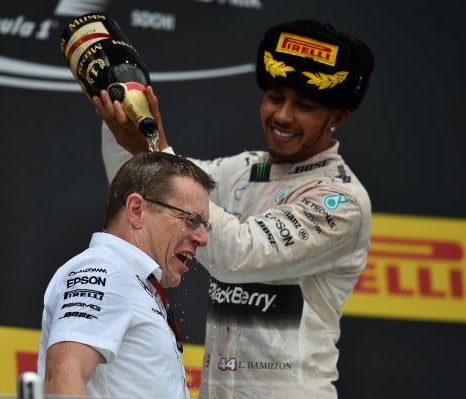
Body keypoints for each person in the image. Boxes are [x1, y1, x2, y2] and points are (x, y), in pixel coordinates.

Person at [94, 19, 375, 399]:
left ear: (337, 118)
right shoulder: (248, 169)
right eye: (275, 97)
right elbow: (141, 186)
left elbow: (238, 254)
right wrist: (123, 116)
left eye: (305, 106)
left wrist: (155, 150)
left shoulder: (341, 202)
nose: (283, 116)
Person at [37, 152, 216, 398]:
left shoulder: (130, 279)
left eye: (206, 225)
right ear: (137, 209)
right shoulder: (106, 269)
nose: (202, 238)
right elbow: (63, 376)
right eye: (191, 219)